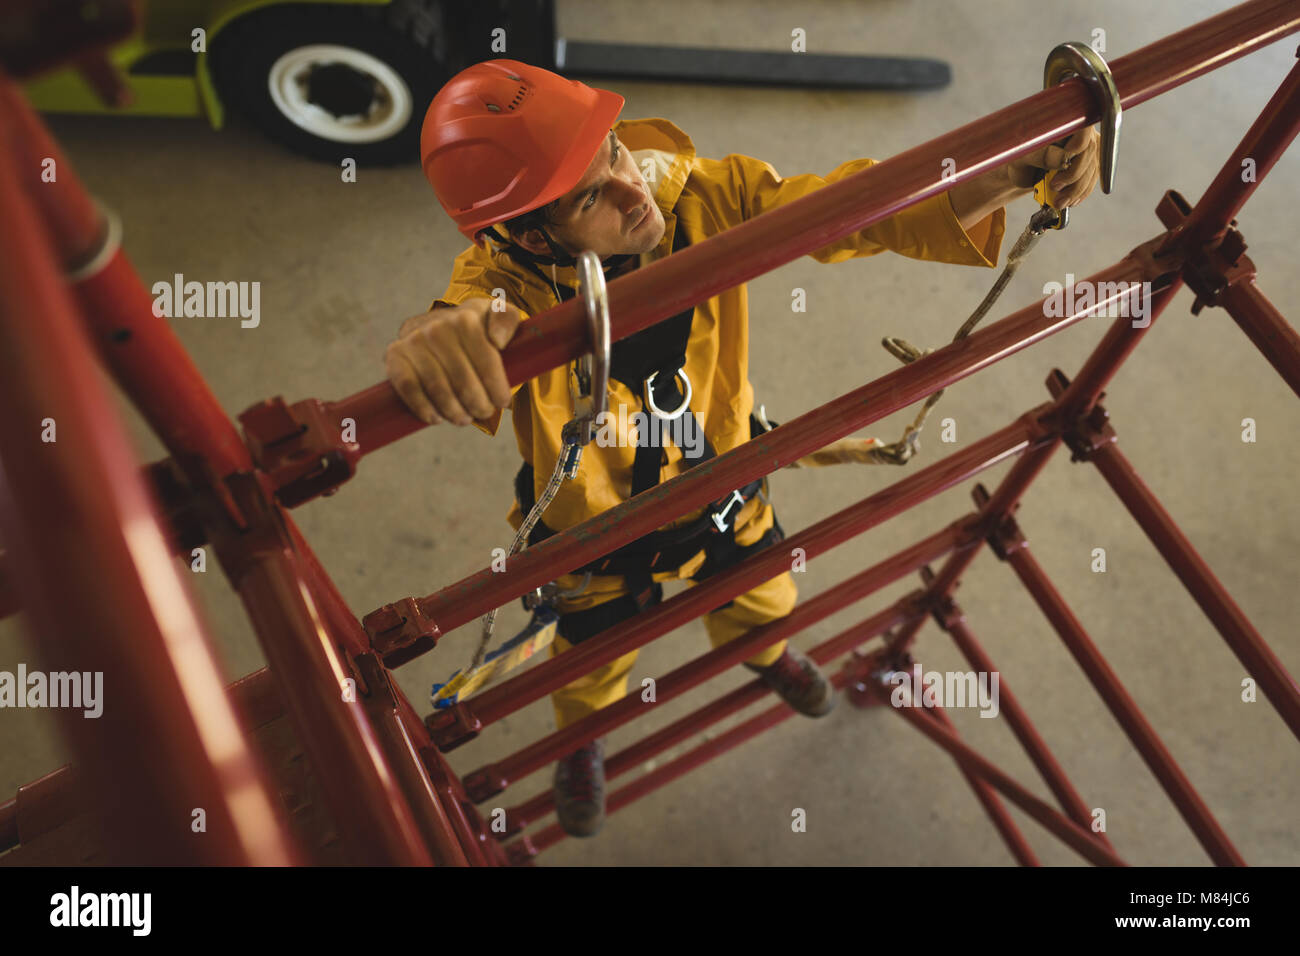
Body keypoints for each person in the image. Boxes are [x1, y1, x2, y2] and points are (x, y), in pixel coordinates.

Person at [386, 59, 1100, 837]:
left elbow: (856, 209)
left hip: (725, 481)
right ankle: (581, 739)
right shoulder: (508, 283)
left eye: (616, 152)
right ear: (528, 237)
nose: (635, 192)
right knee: (588, 658)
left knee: (765, 597)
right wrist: (434, 339)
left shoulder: (703, 197)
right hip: (591, 530)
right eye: (593, 197)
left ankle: (767, 655)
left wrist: (1017, 167)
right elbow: (467, 315)